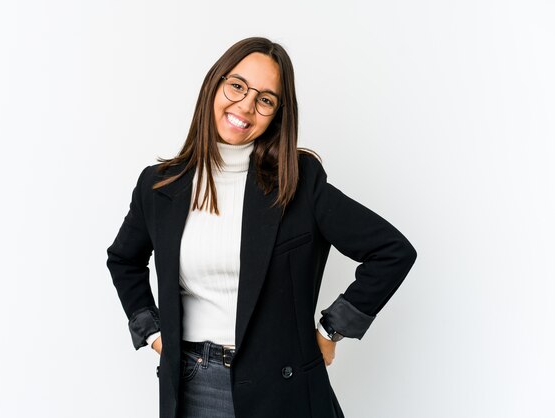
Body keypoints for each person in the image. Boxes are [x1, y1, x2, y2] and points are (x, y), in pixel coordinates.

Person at [106, 36, 417, 418]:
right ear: (214, 85)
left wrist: (331, 331)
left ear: (277, 114)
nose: (246, 106)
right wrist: (154, 335)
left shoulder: (299, 181)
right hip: (195, 386)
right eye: (237, 85)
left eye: (265, 99)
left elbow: (391, 251)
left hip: (281, 390)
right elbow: (123, 259)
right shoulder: (159, 185)